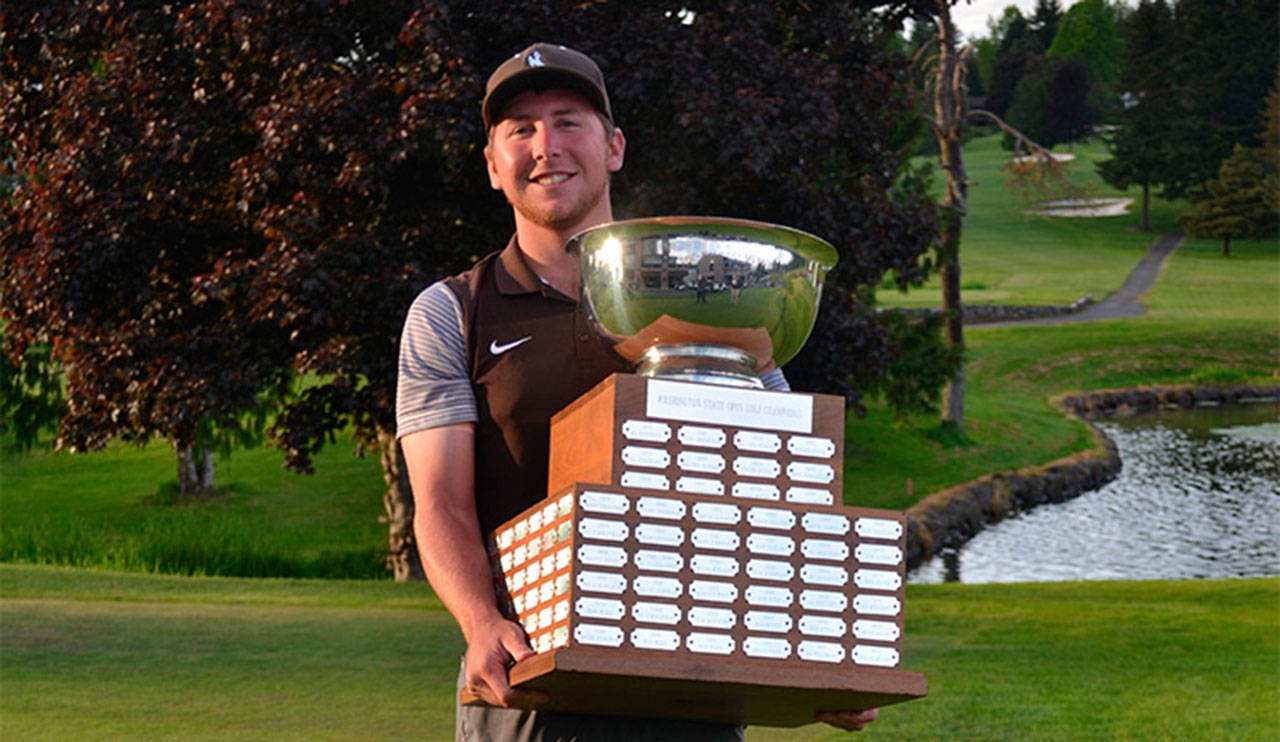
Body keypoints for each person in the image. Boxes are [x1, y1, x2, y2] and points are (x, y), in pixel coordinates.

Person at [395, 42, 878, 741]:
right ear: (493, 165)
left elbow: (779, 498)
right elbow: (440, 502)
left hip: (691, 693)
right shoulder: (452, 313)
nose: (545, 147)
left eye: (568, 121)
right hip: (529, 686)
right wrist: (480, 621)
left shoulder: (710, 300)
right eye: (520, 130)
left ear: (614, 146)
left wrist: (819, 652)